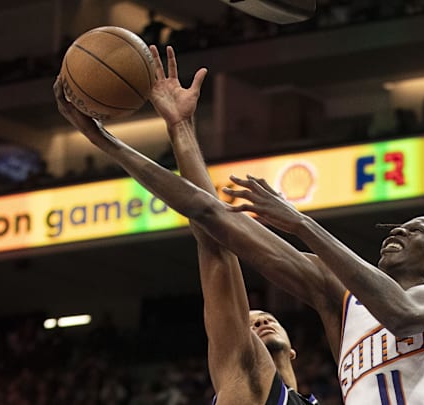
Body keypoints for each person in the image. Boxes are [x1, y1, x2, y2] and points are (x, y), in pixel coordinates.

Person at [54, 45, 424, 404]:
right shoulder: (338, 298)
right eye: (399, 227)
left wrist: (302, 224)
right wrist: (122, 139)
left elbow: (403, 316)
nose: (398, 231)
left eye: (416, 229)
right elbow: (211, 218)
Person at [57, 46, 318, 405]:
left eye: (264, 317)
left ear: (293, 353)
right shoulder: (245, 376)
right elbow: (215, 237)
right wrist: (177, 128)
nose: (257, 323)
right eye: (248, 321)